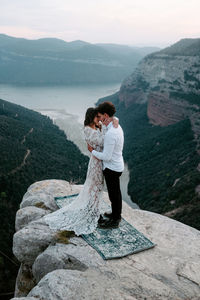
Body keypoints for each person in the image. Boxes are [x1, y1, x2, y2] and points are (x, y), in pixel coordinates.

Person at [44, 107, 117, 235]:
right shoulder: (89, 130)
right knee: (95, 187)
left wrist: (110, 122)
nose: (99, 120)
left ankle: (94, 210)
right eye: (97, 117)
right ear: (91, 117)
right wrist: (108, 127)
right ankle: (94, 214)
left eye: (99, 117)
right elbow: (104, 141)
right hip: (96, 163)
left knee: (97, 187)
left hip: (99, 161)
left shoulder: (95, 128)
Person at [88, 101, 124, 229]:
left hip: (112, 168)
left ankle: (115, 220)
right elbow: (113, 119)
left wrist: (92, 151)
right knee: (115, 193)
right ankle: (115, 214)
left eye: (100, 116)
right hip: (116, 165)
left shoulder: (111, 133)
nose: (99, 119)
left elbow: (106, 157)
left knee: (114, 194)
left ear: (105, 115)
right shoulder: (115, 127)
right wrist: (115, 119)